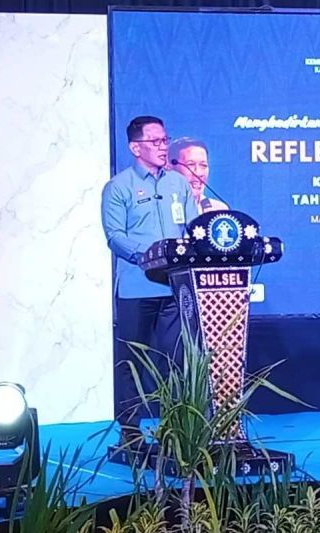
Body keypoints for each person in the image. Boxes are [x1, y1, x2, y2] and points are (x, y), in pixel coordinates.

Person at [100, 116, 198, 444]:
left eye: (164, 140)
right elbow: (115, 236)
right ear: (135, 147)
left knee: (176, 359)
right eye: (155, 141)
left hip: (175, 287)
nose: (162, 147)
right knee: (132, 361)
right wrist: (153, 254)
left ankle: (175, 429)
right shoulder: (119, 187)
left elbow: (193, 228)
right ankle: (130, 432)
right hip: (136, 288)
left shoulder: (178, 184)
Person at [170, 137, 229, 214]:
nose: (198, 173)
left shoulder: (218, 211)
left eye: (203, 165)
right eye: (190, 164)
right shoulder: (159, 206)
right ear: (170, 168)